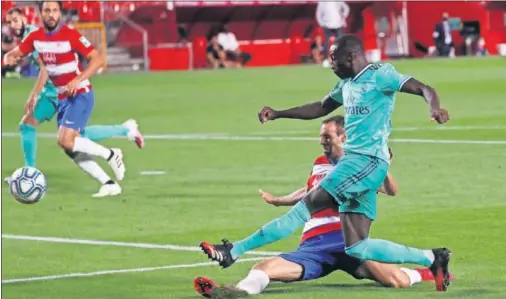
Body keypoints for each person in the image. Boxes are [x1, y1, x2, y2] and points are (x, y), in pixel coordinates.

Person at [199, 35, 452, 292]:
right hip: (360, 166)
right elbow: (320, 108)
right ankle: (432, 258)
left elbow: (424, 88)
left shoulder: (380, 75)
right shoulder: (346, 84)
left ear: (351, 56)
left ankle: (234, 249)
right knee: (357, 246)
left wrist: (435, 108)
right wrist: (278, 114)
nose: (330, 63)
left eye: (334, 58)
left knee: (305, 207)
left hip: (365, 162)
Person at [196, 116, 451, 298]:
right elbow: (311, 193)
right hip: (313, 246)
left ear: (343, 137)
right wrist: (281, 199)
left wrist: (382, 162)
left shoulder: (361, 165)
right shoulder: (319, 162)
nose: (322, 142)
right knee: (264, 268)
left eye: (326, 137)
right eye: (321, 137)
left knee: (396, 281)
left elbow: (390, 190)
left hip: (347, 240)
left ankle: (426, 271)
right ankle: (235, 292)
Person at [3, 1, 143, 197]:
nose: (51, 14)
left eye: (54, 10)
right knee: (71, 147)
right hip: (62, 98)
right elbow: (17, 52)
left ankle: (111, 154)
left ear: (60, 13)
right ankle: (109, 183)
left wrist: (78, 80)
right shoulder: (35, 38)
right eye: (47, 11)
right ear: (40, 14)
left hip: (80, 94)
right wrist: (9, 56)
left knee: (65, 139)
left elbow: (98, 59)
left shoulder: (70, 35)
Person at [316, 1, 349, 67]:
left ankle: (341, 59)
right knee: (326, 43)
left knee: (340, 43)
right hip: (327, 25)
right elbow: (318, 14)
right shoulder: (322, 2)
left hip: (338, 25)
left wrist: (343, 16)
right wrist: (321, 23)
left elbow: (346, 8)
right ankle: (325, 60)